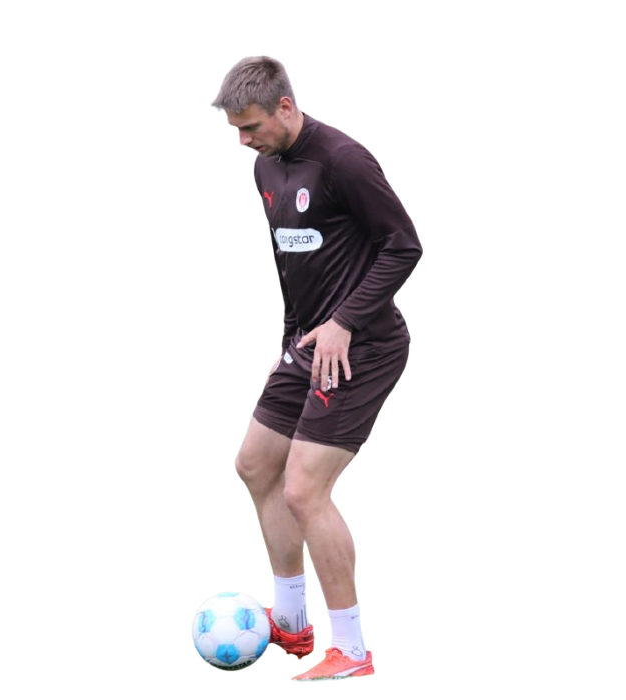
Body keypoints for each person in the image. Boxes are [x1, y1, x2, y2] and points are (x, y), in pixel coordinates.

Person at [210, 56, 423, 682]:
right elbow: (293, 265)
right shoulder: (264, 166)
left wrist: (345, 321)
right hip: (306, 343)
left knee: (304, 489)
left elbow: (405, 245)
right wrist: (290, 342)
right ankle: (291, 622)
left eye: (251, 127)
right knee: (255, 465)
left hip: (364, 345)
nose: (243, 141)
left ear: (285, 106)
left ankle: (351, 650)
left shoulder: (344, 160)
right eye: (235, 130)